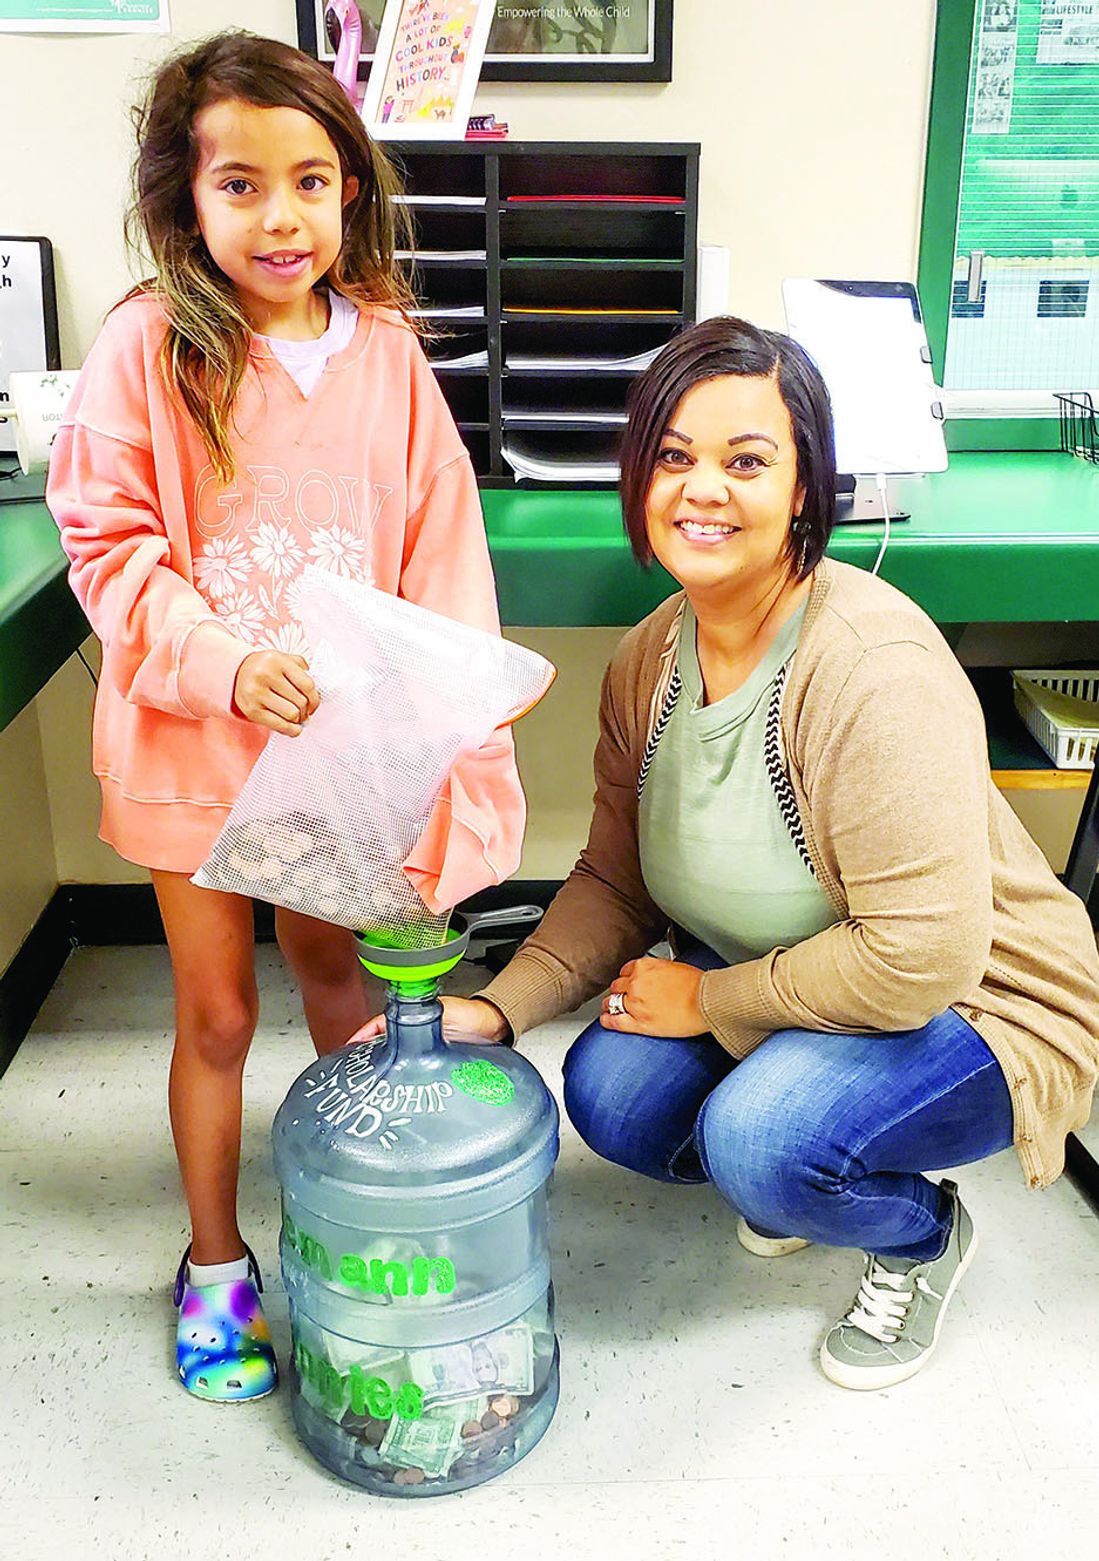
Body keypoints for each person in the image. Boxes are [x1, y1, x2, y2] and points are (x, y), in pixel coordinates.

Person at [363, 316, 1099, 1391]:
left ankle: (916, 1230)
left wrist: (714, 1005)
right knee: (612, 1094)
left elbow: (922, 960)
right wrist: (501, 1005)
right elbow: (614, 882)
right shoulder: (647, 660)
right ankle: (799, 1162)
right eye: (673, 456)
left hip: (977, 1004)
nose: (701, 488)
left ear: (806, 487)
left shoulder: (869, 668)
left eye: (745, 460)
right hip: (798, 977)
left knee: (760, 1138)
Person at [47, 32, 526, 1404]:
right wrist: (214, 658)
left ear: (352, 194)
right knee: (210, 1016)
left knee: (343, 993)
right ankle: (213, 1265)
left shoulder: (387, 357)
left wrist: (443, 729)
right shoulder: (148, 347)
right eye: (242, 184)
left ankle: (348, 1220)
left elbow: (444, 561)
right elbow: (111, 542)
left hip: (339, 770)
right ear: (185, 201)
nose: (281, 217)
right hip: (193, 756)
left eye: (311, 182)